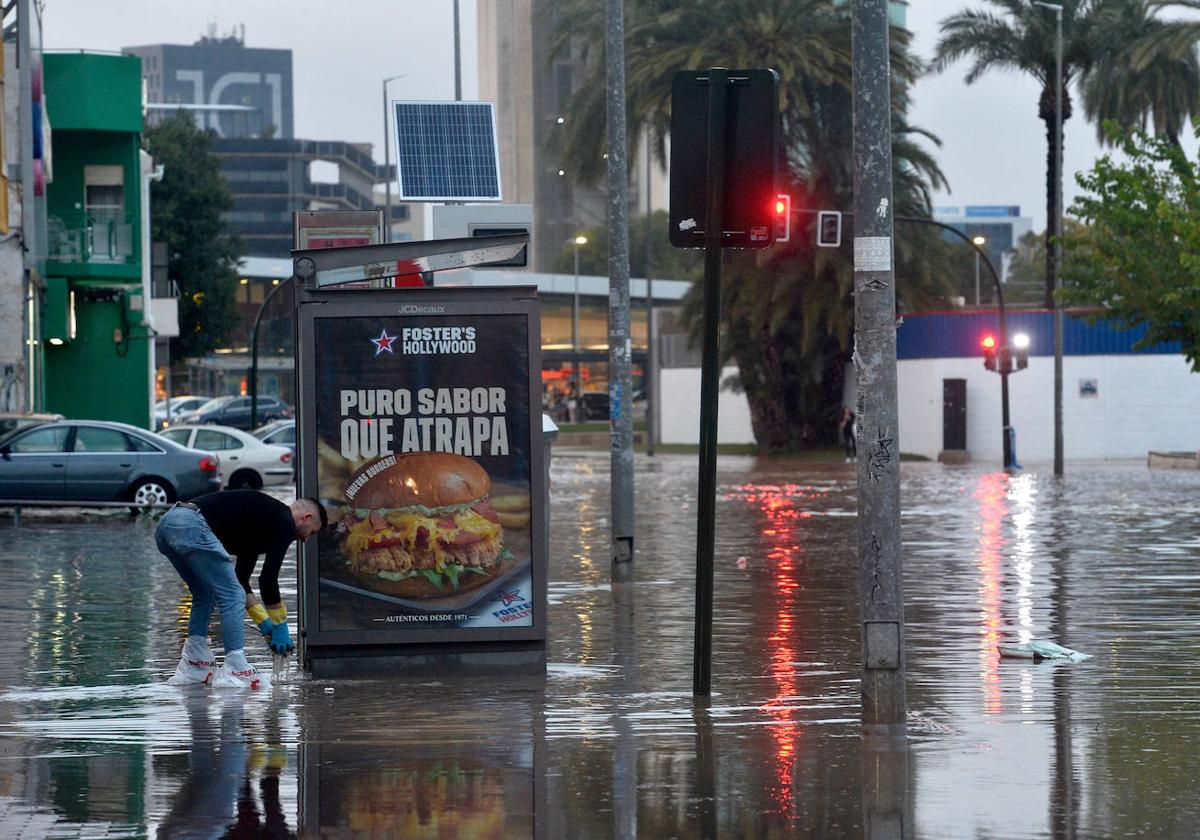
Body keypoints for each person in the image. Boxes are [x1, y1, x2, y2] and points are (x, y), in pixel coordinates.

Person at [156, 491, 326, 688]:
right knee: (231, 595)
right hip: (190, 524)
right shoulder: (285, 521)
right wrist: (280, 626)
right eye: (312, 532)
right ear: (307, 517)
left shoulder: (260, 524)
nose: (306, 540)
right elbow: (268, 580)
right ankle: (236, 667)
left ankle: (195, 665)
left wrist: (265, 624)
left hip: (168, 524)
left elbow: (241, 581)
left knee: (205, 593)